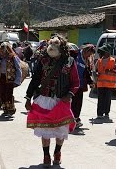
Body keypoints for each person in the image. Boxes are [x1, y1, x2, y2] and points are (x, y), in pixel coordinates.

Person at [25, 35, 79, 167]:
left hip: (62, 101)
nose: (52, 48)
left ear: (62, 48)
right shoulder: (43, 61)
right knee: (46, 130)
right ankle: (46, 156)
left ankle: (57, 152)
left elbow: (75, 82)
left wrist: (70, 94)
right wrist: (28, 97)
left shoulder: (70, 62)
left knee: (61, 129)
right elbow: (35, 80)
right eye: (51, 45)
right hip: (44, 99)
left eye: (56, 45)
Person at [71, 44, 95, 128]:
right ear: (86, 50)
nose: (89, 56)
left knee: (78, 103)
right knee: (72, 103)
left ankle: (75, 118)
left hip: (80, 85)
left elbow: (86, 72)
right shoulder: (75, 54)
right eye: (89, 54)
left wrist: (90, 82)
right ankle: (72, 119)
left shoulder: (86, 60)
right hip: (71, 84)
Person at [0, 42, 22, 116]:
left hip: (10, 78)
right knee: (1, 93)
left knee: (8, 94)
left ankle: (11, 109)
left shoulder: (13, 57)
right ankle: (5, 109)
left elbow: (18, 69)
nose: (2, 52)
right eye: (1, 50)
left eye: (4, 50)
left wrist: (17, 80)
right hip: (2, 77)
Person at [96, 44, 116, 119]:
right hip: (100, 83)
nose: (102, 53)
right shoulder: (99, 61)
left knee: (107, 99)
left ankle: (106, 112)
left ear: (107, 52)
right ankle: (99, 113)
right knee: (100, 99)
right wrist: (96, 74)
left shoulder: (113, 61)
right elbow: (95, 70)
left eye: (103, 51)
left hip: (109, 84)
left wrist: (110, 71)